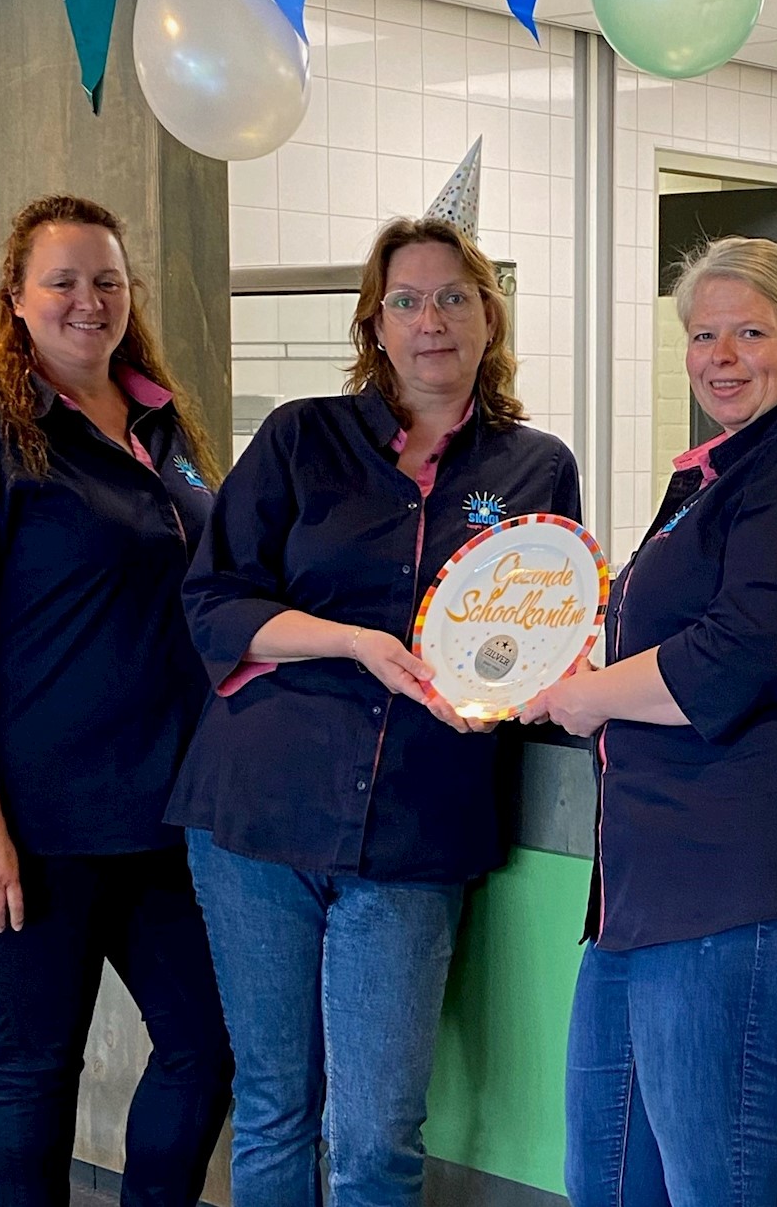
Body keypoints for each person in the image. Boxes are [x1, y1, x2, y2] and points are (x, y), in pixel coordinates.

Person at [170, 216, 581, 1207]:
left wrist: (525, 685)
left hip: (415, 828)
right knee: (274, 1107)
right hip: (260, 819)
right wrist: (348, 638)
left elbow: (539, 626)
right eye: (406, 299)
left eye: (452, 297)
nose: (430, 319)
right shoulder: (302, 437)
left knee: (375, 1136)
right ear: (376, 322)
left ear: (489, 315)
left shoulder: (535, 467)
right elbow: (215, 601)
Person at [523, 236, 777, 1207]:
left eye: (750, 330)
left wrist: (589, 692)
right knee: (607, 1181)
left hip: (752, 891)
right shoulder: (717, 472)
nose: (722, 354)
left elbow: (740, 655)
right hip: (650, 893)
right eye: (704, 333)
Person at [0, 194, 233, 1207]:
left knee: (208, 1042)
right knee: (38, 1060)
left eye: (108, 280)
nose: (91, 299)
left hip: (162, 815)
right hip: (29, 823)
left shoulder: (161, 429)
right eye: (65, 280)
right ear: (18, 299)